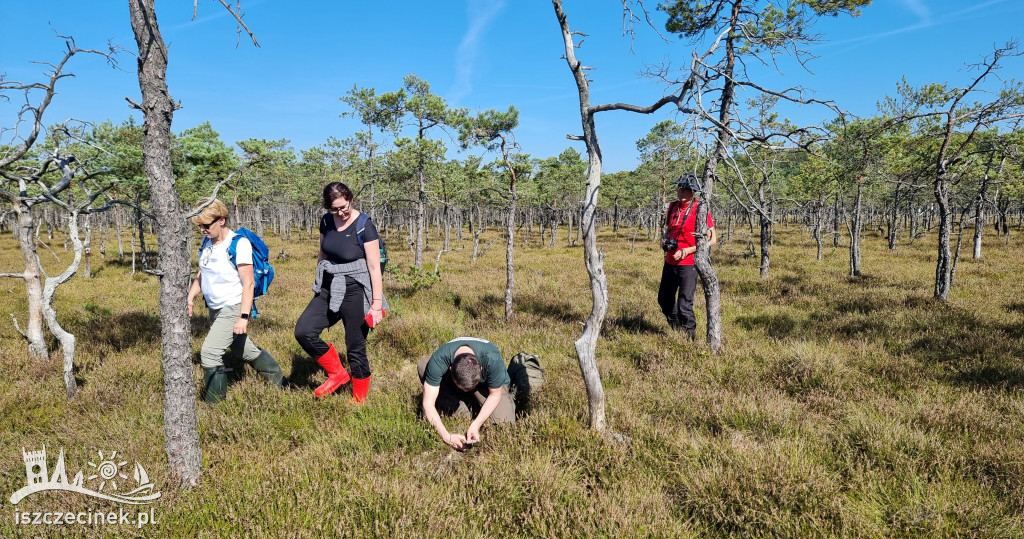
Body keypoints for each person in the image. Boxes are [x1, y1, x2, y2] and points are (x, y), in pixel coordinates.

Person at [294, 182, 386, 403]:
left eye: (344, 207)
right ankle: (338, 374)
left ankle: (359, 401)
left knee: (355, 346)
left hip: (355, 288)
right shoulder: (326, 221)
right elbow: (322, 254)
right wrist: (318, 282)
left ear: (351, 200)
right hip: (329, 285)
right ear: (328, 208)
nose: (341, 212)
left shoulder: (364, 225)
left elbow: (374, 268)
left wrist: (375, 304)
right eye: (335, 209)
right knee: (304, 331)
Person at [187, 198, 286, 404]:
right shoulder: (207, 242)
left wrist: (243, 317)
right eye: (200, 226)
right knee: (243, 349)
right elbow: (202, 273)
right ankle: (281, 382)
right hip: (214, 307)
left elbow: (248, 282)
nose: (203, 230)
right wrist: (190, 297)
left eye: (207, 225)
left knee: (210, 353)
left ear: (221, 220)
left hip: (233, 306)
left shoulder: (238, 243)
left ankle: (214, 404)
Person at [418, 337, 516, 451]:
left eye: (468, 388)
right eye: (463, 388)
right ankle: (461, 406)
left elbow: (494, 395)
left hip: (486, 386)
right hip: (453, 380)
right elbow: (428, 404)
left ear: (480, 368)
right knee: (424, 365)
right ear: (450, 369)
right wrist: (446, 436)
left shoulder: (492, 358)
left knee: (504, 425)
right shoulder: (439, 360)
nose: (466, 390)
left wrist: (476, 424)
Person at [658, 173, 717, 340]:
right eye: (680, 189)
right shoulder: (672, 207)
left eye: (686, 190)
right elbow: (670, 229)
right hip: (670, 261)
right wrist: (665, 240)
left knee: (684, 304)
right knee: (664, 300)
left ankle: (689, 338)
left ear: (693, 192)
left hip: (688, 263)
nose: (682, 193)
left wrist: (687, 250)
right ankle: (677, 330)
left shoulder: (700, 209)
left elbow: (712, 239)